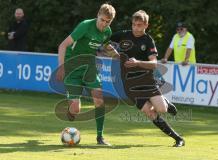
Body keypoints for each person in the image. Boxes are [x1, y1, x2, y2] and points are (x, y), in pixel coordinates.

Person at [109, 10, 185, 147]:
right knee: (150, 112)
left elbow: (154, 64)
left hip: (147, 81)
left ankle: (166, 103)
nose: (136, 28)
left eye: (139, 25)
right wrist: (114, 54)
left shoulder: (148, 40)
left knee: (161, 109)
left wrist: (137, 62)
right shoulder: (123, 35)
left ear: (146, 25)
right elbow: (104, 41)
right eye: (134, 24)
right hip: (130, 85)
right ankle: (178, 138)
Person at [56, 3, 116, 146]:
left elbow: (107, 46)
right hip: (73, 67)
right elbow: (62, 45)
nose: (104, 24)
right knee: (76, 110)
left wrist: (119, 56)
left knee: (99, 100)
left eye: (108, 22)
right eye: (102, 20)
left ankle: (100, 138)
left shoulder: (107, 31)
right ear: (98, 15)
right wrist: (61, 67)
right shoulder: (85, 26)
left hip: (89, 67)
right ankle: (71, 108)